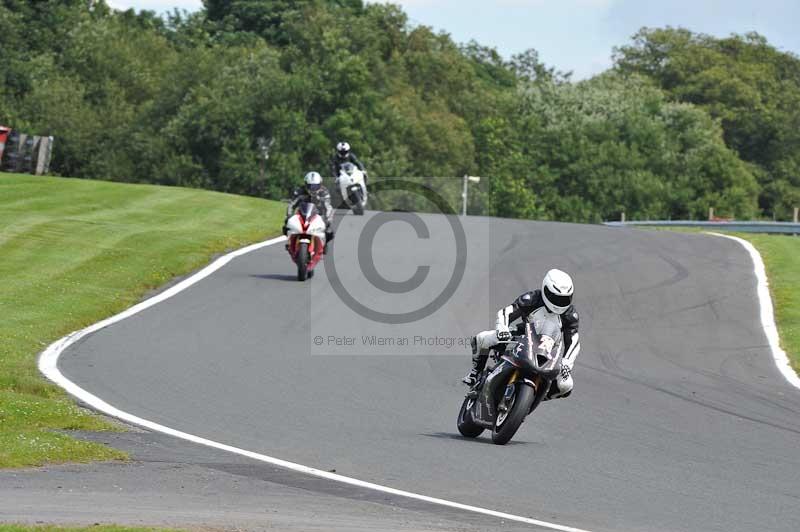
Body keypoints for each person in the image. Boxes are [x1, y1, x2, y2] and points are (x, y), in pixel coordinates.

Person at [463, 269, 581, 401]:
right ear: (545, 289)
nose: (559, 302)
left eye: (564, 299)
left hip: (550, 352)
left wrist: (567, 363)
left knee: (566, 385)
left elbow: (574, 342)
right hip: (523, 337)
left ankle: (534, 398)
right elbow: (506, 312)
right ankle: (475, 374)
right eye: (555, 297)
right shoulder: (533, 298)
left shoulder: (570, 315)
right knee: (482, 338)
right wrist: (502, 329)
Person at [284, 171, 335, 248]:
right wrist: (289, 215)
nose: (312, 189)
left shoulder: (324, 192)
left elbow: (329, 207)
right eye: (310, 186)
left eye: (315, 186)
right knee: (286, 226)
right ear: (305, 184)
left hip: (318, 215)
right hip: (301, 214)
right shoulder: (299, 191)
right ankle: (290, 242)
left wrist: (328, 219)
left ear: (320, 185)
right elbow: (292, 204)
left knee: (329, 232)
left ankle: (324, 244)